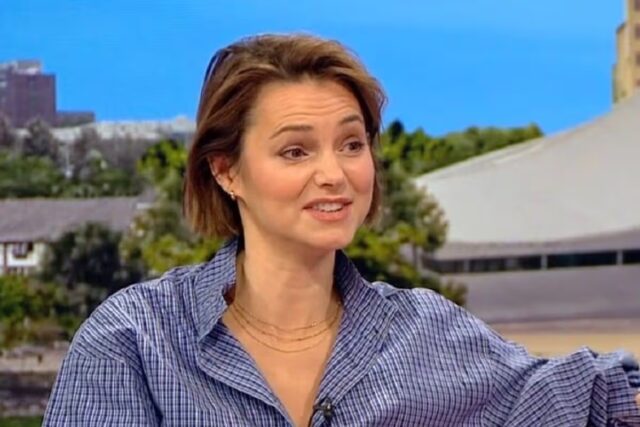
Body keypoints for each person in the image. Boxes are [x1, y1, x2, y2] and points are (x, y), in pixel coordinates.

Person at [44, 33, 640, 427]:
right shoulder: (135, 342)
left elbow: (590, 396)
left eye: (352, 144)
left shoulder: (429, 335)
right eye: (296, 151)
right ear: (226, 171)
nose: (335, 174)